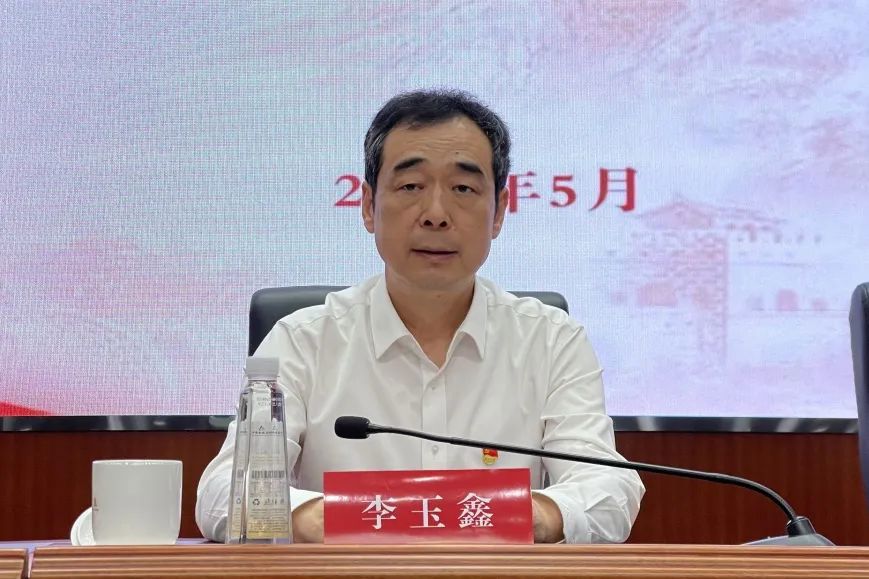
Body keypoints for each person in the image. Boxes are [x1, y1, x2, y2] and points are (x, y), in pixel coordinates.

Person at [196, 89, 644, 544]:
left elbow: (609, 489)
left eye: (463, 189)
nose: (436, 214)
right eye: (411, 186)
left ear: (499, 212)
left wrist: (527, 514)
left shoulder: (550, 340)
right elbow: (222, 493)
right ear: (368, 205)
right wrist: (329, 518)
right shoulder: (302, 341)